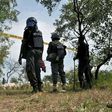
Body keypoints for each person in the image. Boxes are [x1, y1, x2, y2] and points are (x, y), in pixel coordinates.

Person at [18, 17, 45, 93]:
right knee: (31, 69)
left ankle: (38, 87)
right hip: (33, 52)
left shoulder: (39, 32)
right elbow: (23, 44)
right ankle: (36, 87)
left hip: (37, 53)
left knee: (35, 70)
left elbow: (42, 45)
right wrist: (20, 57)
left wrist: (41, 58)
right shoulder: (27, 32)